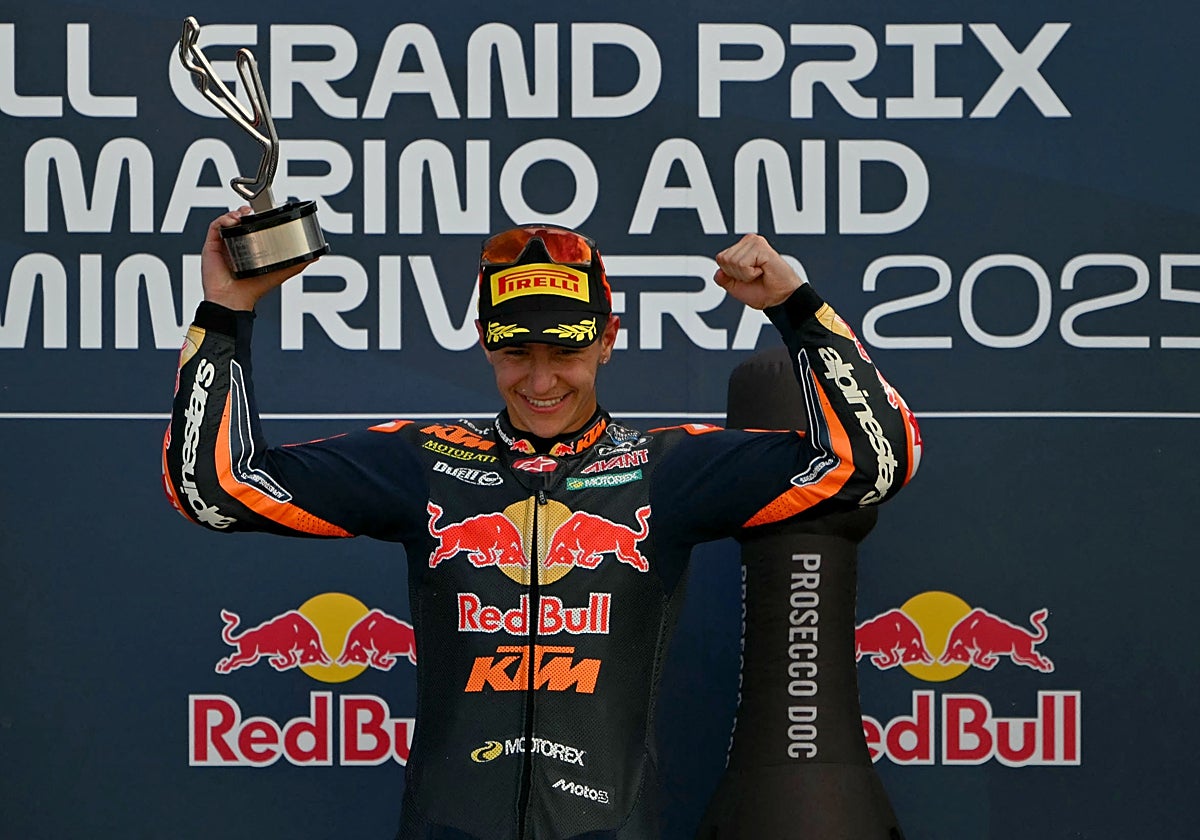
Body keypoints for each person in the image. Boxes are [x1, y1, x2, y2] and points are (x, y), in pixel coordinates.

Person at [162, 210, 922, 840]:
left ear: (607, 338)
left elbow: (876, 460)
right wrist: (227, 308)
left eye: (565, 350)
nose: (540, 378)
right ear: (486, 344)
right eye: (514, 352)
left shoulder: (669, 469)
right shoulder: (420, 462)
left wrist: (795, 307)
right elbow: (216, 488)